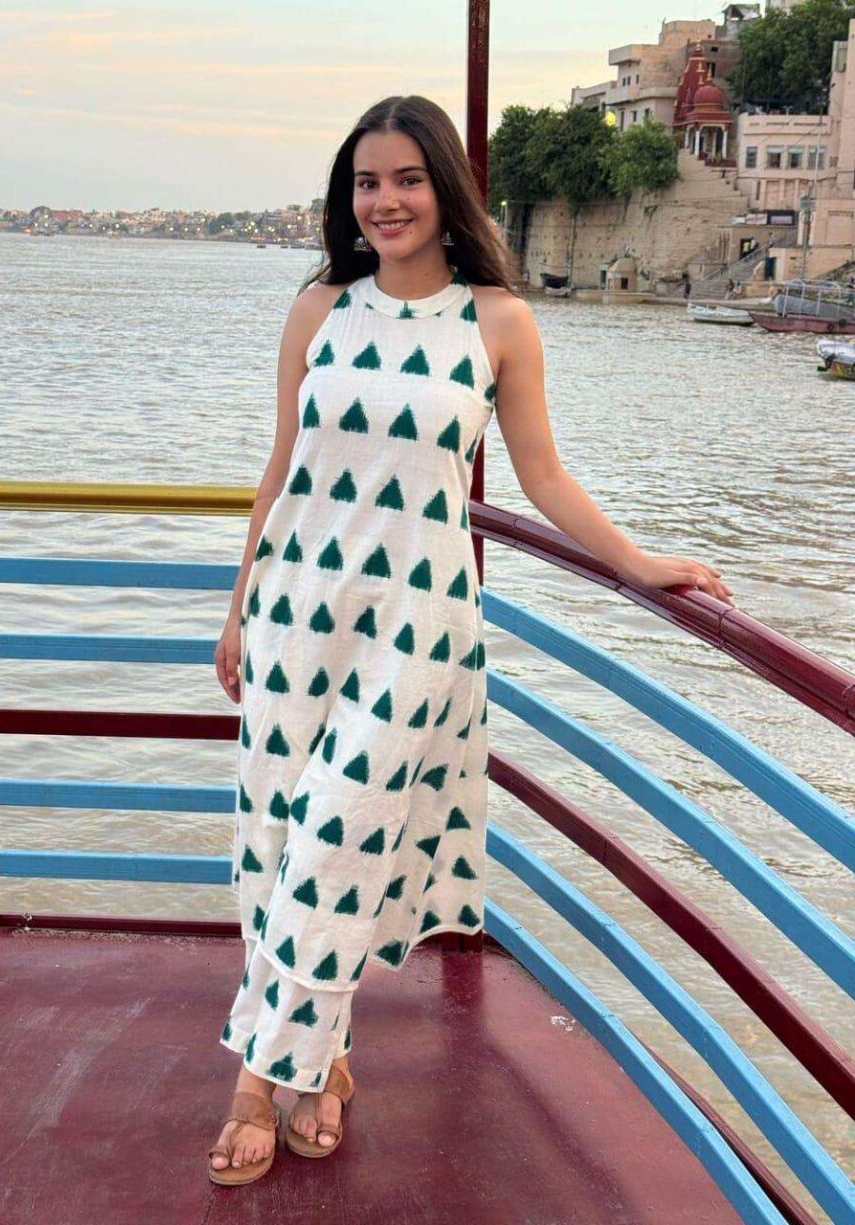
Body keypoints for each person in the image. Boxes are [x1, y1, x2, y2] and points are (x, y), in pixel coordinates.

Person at [208, 93, 735, 1185]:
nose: (386, 201)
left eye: (407, 178)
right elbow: (281, 463)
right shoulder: (318, 307)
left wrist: (638, 559)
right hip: (297, 611)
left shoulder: (496, 322)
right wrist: (237, 604)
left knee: (339, 842)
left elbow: (541, 473)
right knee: (278, 840)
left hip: (417, 627)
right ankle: (320, 1063)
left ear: (445, 190)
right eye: (367, 182)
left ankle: (256, 1078)